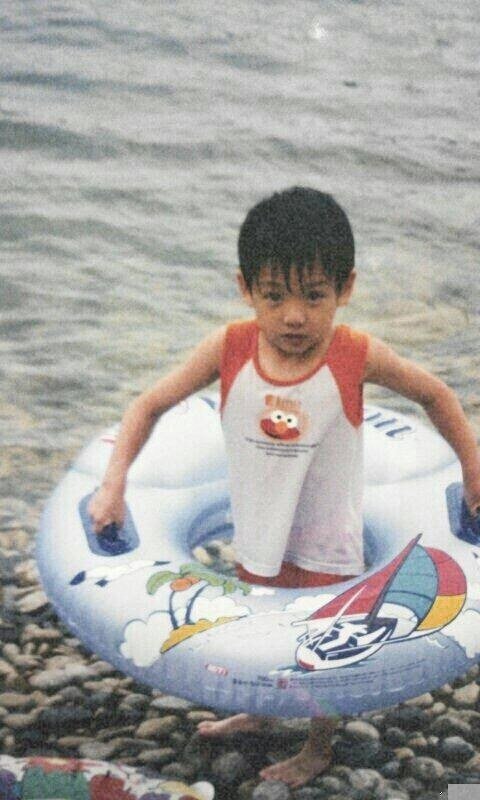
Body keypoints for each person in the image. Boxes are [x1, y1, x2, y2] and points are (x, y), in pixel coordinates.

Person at [88, 187, 480, 789]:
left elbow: (436, 395)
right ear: (246, 288)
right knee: (263, 624)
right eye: (274, 296)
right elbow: (148, 405)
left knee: (322, 643)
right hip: (259, 527)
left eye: (314, 296)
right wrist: (112, 487)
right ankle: (262, 712)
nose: (294, 316)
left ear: (345, 288)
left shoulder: (354, 354)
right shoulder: (229, 348)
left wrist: (473, 474)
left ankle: (317, 747)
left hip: (327, 537)